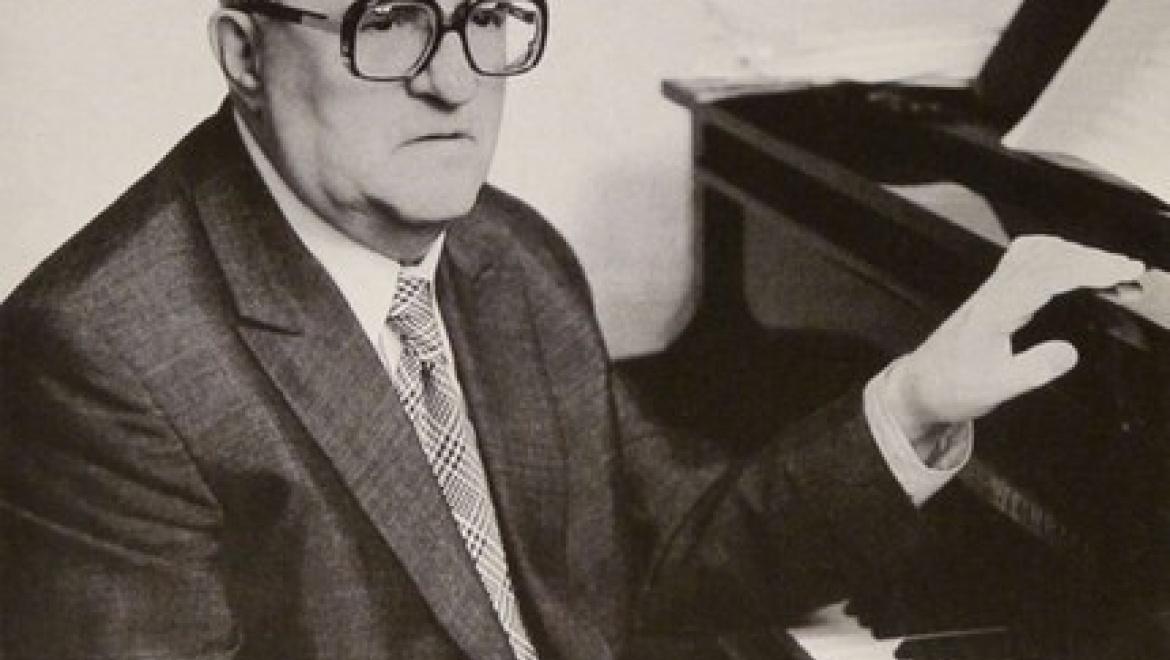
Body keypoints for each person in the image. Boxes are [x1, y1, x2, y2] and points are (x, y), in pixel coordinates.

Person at [0, 1, 1146, 658]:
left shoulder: (509, 256)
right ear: (246, 52)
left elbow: (668, 565)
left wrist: (910, 404)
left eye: (484, 16)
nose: (456, 83)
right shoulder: (100, 356)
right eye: (390, 20)